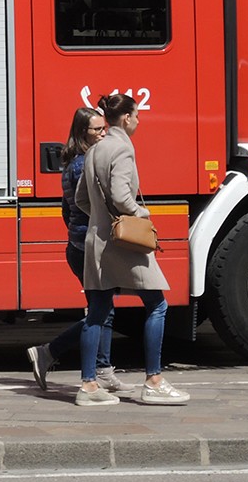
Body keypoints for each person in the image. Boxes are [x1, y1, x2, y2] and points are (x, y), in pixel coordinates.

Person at [73, 94, 189, 406]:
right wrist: (142, 214)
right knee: (157, 304)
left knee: (96, 312)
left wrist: (100, 217)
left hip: (97, 241)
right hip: (122, 243)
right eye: (136, 115)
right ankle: (153, 380)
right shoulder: (123, 148)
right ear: (126, 118)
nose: (138, 120)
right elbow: (122, 196)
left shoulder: (95, 149)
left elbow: (82, 199)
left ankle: (88, 386)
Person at [26, 107, 135, 401]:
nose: (103, 133)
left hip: (78, 243)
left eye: (104, 129)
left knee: (104, 308)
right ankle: (51, 354)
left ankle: (102, 370)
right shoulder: (83, 164)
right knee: (99, 311)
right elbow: (90, 203)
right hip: (87, 245)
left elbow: (66, 209)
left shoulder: (74, 162)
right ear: (83, 133)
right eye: (98, 130)